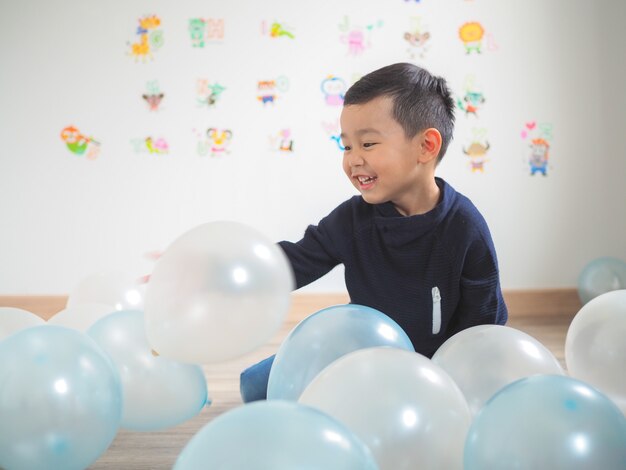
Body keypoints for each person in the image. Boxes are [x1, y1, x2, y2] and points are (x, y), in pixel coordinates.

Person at [240, 62, 508, 402]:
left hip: (434, 369)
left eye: (367, 144)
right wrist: (233, 272)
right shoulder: (353, 220)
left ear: (426, 146)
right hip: (363, 352)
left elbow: (483, 326)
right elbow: (295, 261)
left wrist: (451, 384)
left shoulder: (464, 228)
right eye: (346, 146)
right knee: (254, 387)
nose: (353, 160)